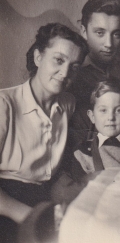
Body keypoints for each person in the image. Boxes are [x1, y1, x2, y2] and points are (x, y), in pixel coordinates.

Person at [0, 23, 88, 242]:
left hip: (45, 197)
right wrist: (33, 217)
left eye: (74, 66)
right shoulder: (4, 105)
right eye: (58, 60)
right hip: (7, 203)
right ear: (38, 58)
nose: (65, 72)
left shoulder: (68, 104)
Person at [71, 0, 120, 129]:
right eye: (100, 33)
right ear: (84, 31)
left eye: (116, 34)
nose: (109, 44)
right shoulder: (71, 65)